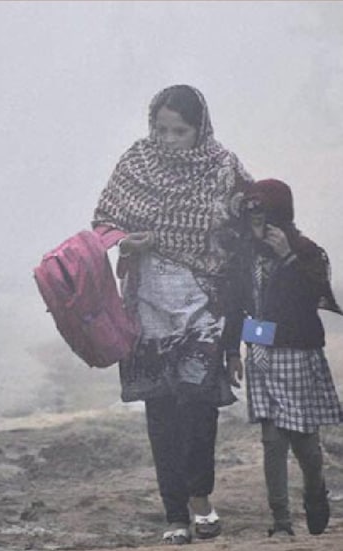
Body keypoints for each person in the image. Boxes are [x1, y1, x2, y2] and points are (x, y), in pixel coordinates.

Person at [92, 84, 253, 545]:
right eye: (160, 129)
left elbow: (249, 232)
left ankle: (201, 498)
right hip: (146, 312)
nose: (167, 138)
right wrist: (127, 242)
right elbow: (104, 220)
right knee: (160, 412)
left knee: (199, 409)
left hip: (203, 311)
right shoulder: (136, 163)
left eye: (178, 130)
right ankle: (174, 514)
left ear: (199, 128)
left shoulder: (224, 169)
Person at [225, 178, 343, 537]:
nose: (259, 228)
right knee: (272, 439)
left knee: (304, 438)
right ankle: (281, 522)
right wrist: (232, 351)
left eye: (265, 218)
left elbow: (312, 299)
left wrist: (287, 259)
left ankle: (315, 490)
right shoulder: (242, 256)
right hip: (261, 349)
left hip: (297, 350)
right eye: (253, 219)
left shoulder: (306, 252)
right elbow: (235, 308)